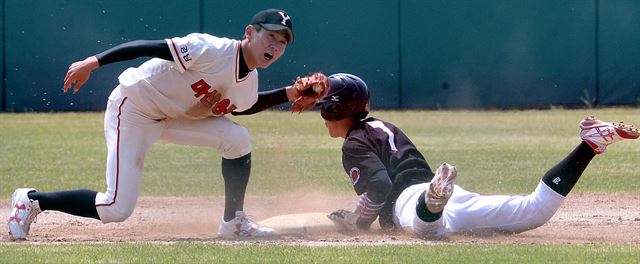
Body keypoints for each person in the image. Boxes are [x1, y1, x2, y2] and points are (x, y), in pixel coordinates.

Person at [8, 8, 329, 240]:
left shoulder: (249, 80)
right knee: (116, 208)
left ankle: (234, 222)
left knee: (238, 139)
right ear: (249, 32)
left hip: (171, 119)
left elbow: (244, 106)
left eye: (282, 42)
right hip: (134, 107)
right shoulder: (211, 49)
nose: (274, 45)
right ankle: (33, 200)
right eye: (270, 35)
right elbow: (149, 46)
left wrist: (290, 93)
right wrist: (94, 62)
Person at [321, 73, 639, 238]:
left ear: (337, 107)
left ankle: (433, 200)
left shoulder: (354, 142)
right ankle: (590, 145)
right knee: (535, 211)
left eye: (325, 106)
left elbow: (378, 186)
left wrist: (357, 222)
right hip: (452, 196)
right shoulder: (381, 125)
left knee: (425, 229)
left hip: (409, 200)